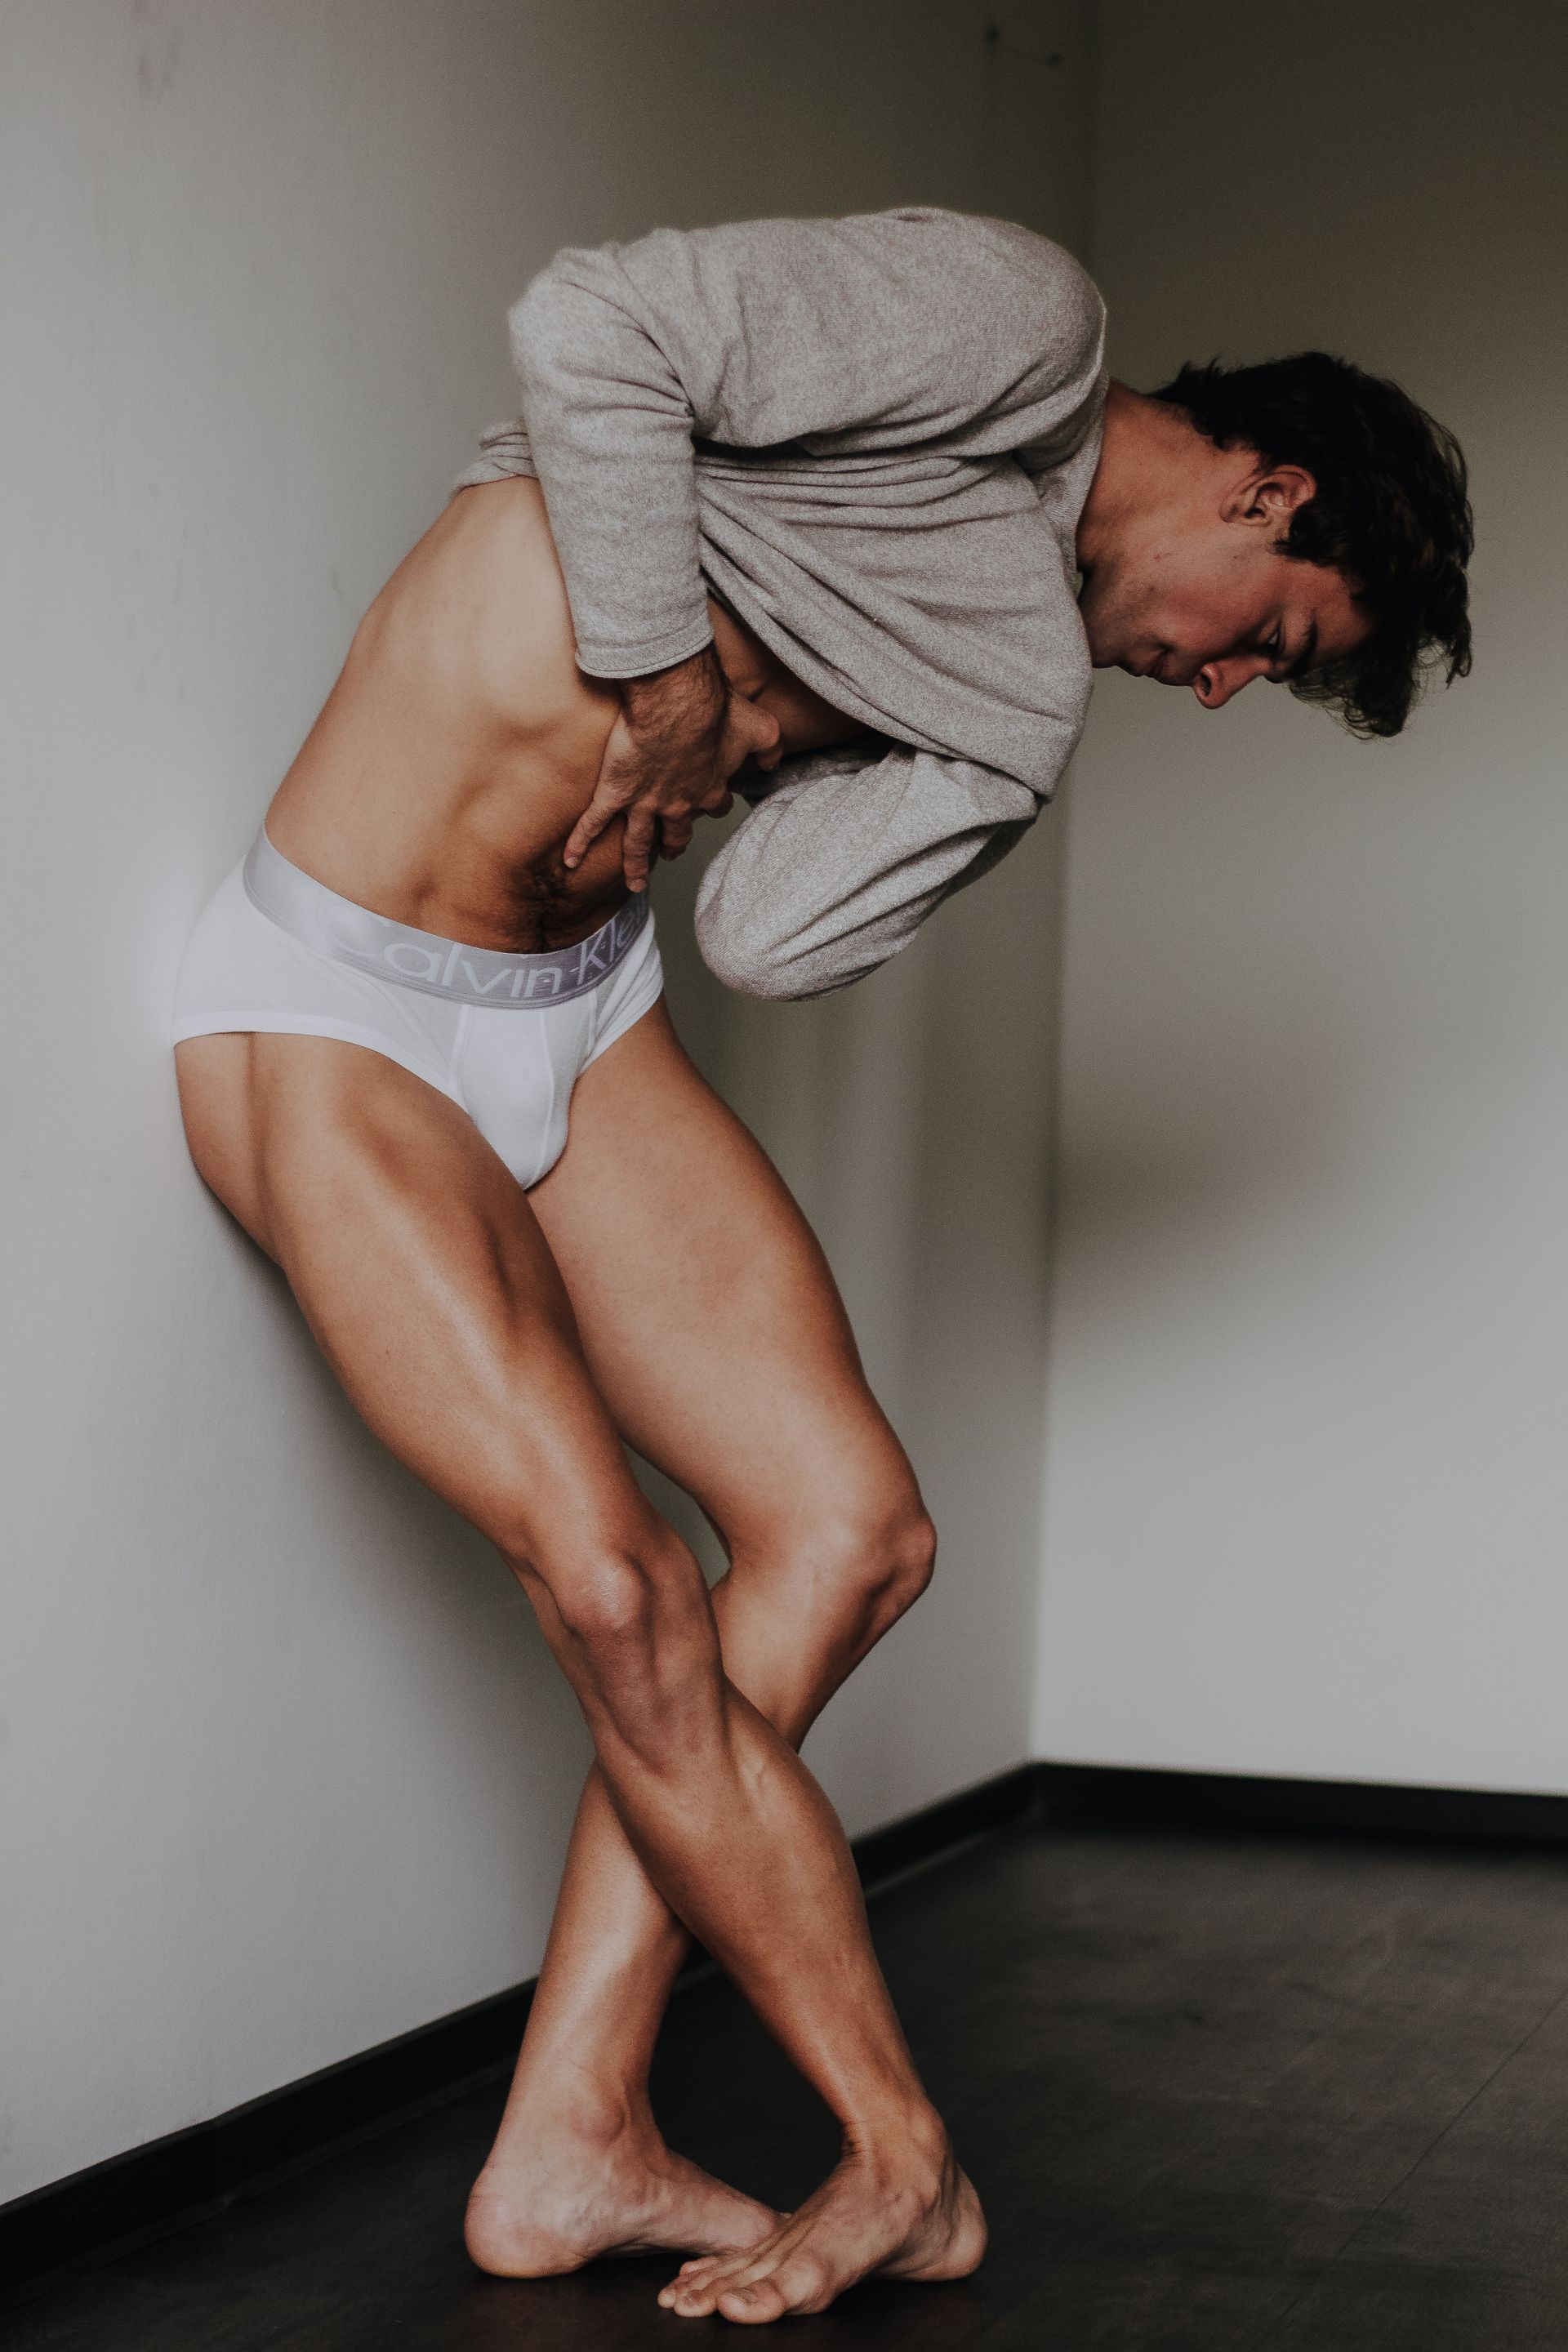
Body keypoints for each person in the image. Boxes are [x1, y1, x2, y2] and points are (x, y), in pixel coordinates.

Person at [171, 207, 1472, 2325]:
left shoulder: (1025, 685)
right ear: (1269, 486)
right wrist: (686, 677)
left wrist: (974, 743)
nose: (1226, 679)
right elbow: (595, 328)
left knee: (853, 1533)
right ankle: (903, 2154)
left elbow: (766, 933)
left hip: (578, 1007)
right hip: (340, 999)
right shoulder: (1020, 326)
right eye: (1278, 636)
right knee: (618, 1589)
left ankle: (575, 2134)